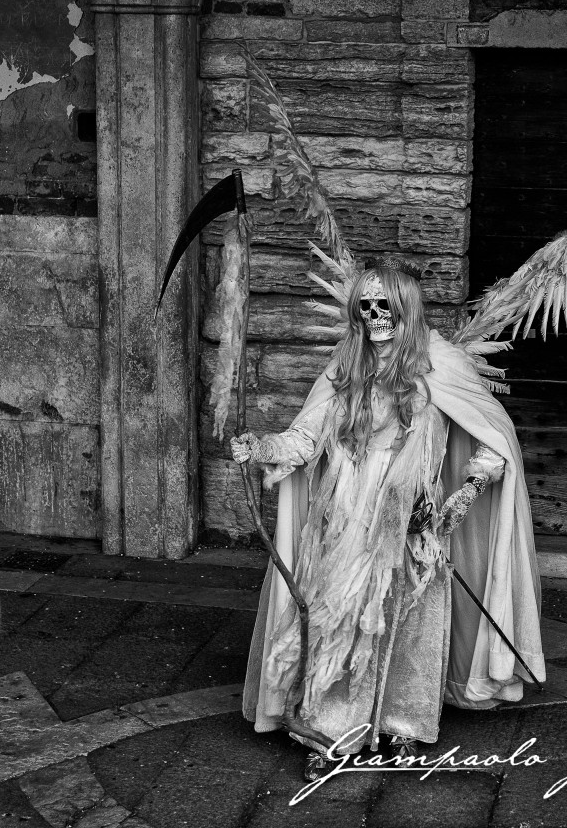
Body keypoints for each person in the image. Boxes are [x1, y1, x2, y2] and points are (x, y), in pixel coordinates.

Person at [231, 256, 545, 781]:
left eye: (386, 306)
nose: (375, 316)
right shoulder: (347, 365)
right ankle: (329, 728)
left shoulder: (440, 363)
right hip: (347, 514)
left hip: (414, 511)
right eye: (365, 306)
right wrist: (261, 446)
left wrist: (464, 494)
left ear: (407, 308)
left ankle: (403, 722)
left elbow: (494, 439)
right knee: (339, 614)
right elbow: (307, 437)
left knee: (410, 616)